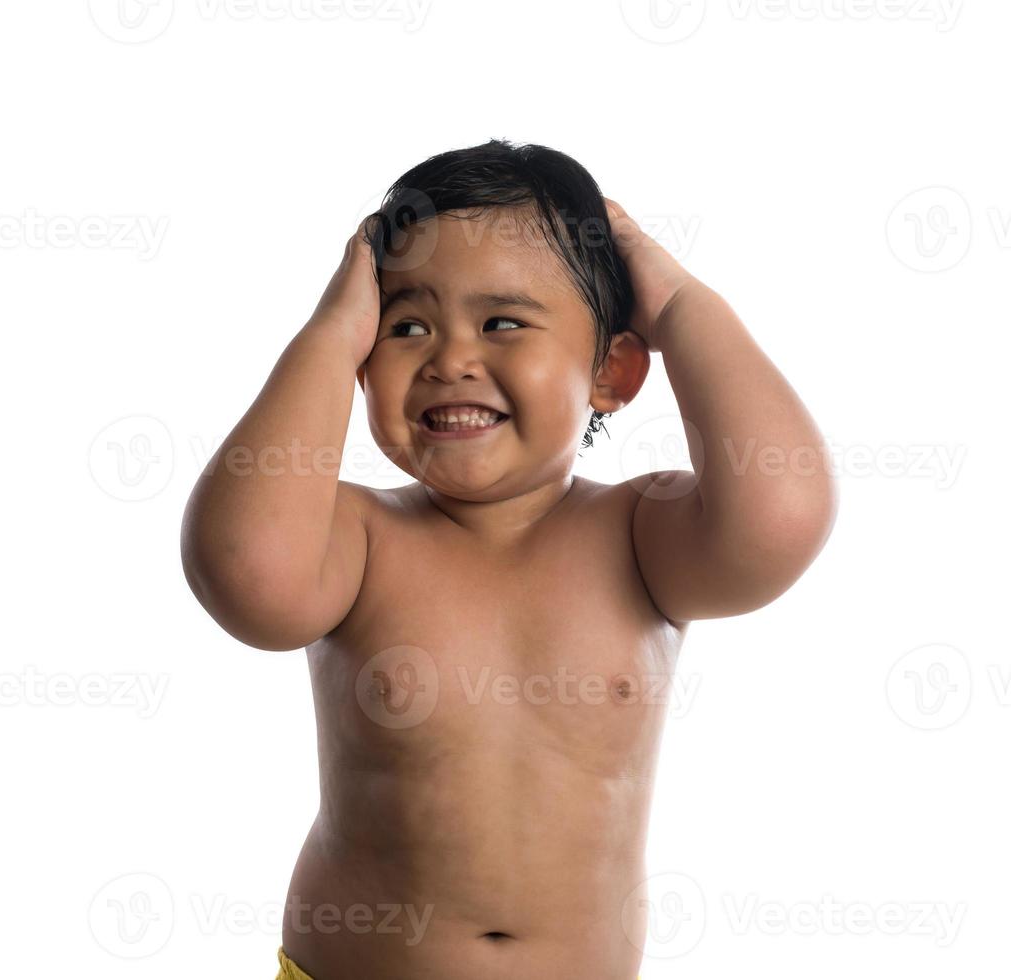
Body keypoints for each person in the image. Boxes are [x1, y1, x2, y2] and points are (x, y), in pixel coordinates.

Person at [180, 138, 836, 980]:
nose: (449, 358)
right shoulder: (356, 538)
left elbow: (780, 513)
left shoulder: (638, 536)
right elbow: (248, 576)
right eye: (405, 326)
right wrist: (327, 337)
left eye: (501, 322)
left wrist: (674, 302)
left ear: (611, 373)